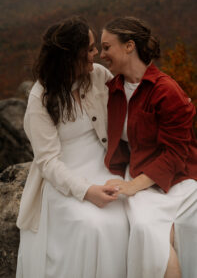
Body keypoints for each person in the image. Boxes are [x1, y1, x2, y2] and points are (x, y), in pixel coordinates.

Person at [16, 16, 129, 278]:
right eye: (89, 49)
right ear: (70, 57)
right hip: (63, 177)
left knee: (123, 216)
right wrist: (86, 191)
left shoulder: (100, 76)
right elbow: (48, 163)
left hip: (104, 164)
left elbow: (128, 108)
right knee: (91, 226)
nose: (95, 54)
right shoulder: (40, 98)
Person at [100, 16, 197, 278]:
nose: (101, 54)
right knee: (150, 230)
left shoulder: (167, 91)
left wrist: (132, 186)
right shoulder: (113, 87)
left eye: (107, 47)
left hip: (177, 178)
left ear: (129, 46)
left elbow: (176, 154)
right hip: (139, 169)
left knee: (147, 229)